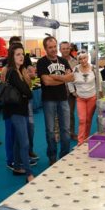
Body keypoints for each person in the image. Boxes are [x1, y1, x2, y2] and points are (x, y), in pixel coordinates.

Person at [36, 36, 74, 166]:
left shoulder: (63, 60)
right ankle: (52, 157)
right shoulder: (41, 62)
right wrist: (63, 78)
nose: (53, 49)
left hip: (63, 99)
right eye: (50, 47)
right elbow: (46, 81)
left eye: (54, 46)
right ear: (45, 48)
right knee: (50, 131)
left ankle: (64, 156)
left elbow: (71, 77)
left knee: (66, 130)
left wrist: (56, 77)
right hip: (48, 100)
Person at [3, 44, 34, 183]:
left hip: (19, 110)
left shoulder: (19, 71)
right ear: (12, 56)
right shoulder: (13, 72)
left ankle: (17, 167)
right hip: (16, 111)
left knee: (17, 141)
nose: (21, 56)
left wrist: (27, 93)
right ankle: (28, 174)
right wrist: (27, 93)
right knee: (24, 142)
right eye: (17, 54)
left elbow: (27, 91)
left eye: (22, 54)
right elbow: (27, 91)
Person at [68, 50, 101, 145]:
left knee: (88, 119)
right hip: (80, 98)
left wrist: (99, 94)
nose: (83, 60)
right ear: (78, 60)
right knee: (82, 119)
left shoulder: (94, 68)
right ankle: (80, 141)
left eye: (84, 58)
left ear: (88, 58)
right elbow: (69, 80)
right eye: (80, 59)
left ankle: (86, 138)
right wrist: (73, 92)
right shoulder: (75, 69)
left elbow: (99, 81)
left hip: (92, 97)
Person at [60, 41, 78, 141]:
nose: (66, 50)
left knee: (70, 113)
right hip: (59, 91)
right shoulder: (56, 61)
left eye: (67, 48)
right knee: (58, 114)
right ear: (60, 50)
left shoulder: (75, 62)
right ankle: (59, 134)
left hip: (72, 92)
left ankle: (71, 133)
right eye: (64, 48)